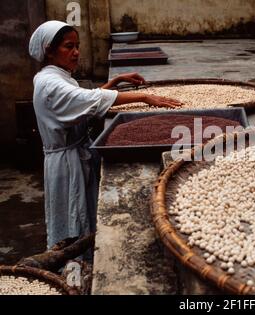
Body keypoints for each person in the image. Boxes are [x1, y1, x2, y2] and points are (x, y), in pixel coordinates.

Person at [28, 20, 182, 249]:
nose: (76, 52)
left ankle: (82, 258)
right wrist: (144, 98)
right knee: (74, 218)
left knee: (83, 213)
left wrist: (115, 81)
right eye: (68, 47)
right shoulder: (50, 84)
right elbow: (88, 100)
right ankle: (74, 266)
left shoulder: (56, 75)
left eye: (77, 46)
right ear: (49, 51)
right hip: (67, 163)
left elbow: (82, 96)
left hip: (74, 155)